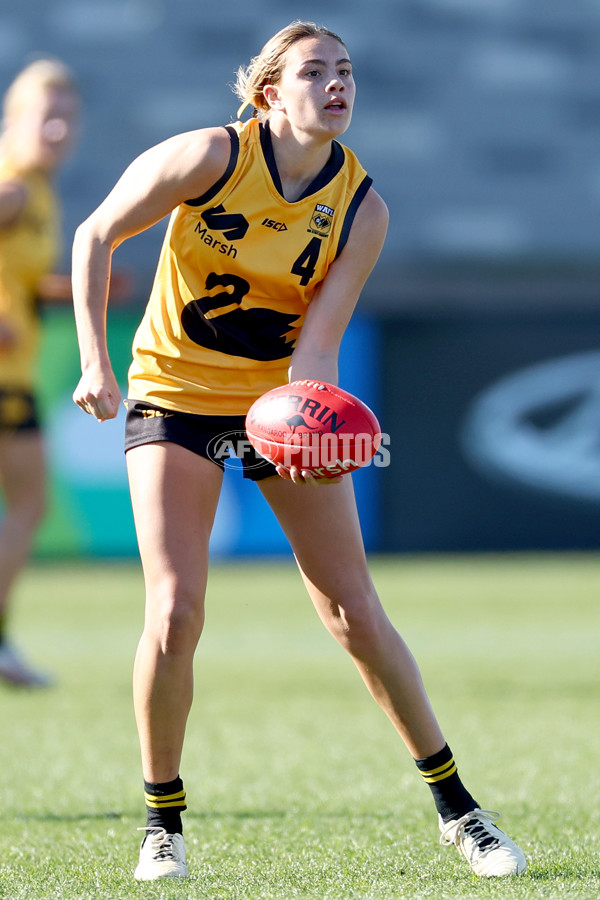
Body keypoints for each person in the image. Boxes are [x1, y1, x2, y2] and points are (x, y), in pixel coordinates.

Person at [71, 20, 527, 882]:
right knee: (175, 613)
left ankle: (459, 811)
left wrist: (317, 425)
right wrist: (96, 363)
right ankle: (160, 824)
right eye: (315, 71)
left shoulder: (363, 208)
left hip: (274, 406)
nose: (336, 83)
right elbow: (95, 235)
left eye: (346, 71)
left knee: (352, 611)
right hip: (170, 394)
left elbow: (316, 352)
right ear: (269, 94)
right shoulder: (210, 155)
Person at [0, 58, 81, 687]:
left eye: (66, 117)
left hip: (14, 370)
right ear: (14, 120)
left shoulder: (40, 190)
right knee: (28, 502)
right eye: (44, 116)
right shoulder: (13, 187)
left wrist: (66, 289)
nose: (56, 130)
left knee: (29, 503)